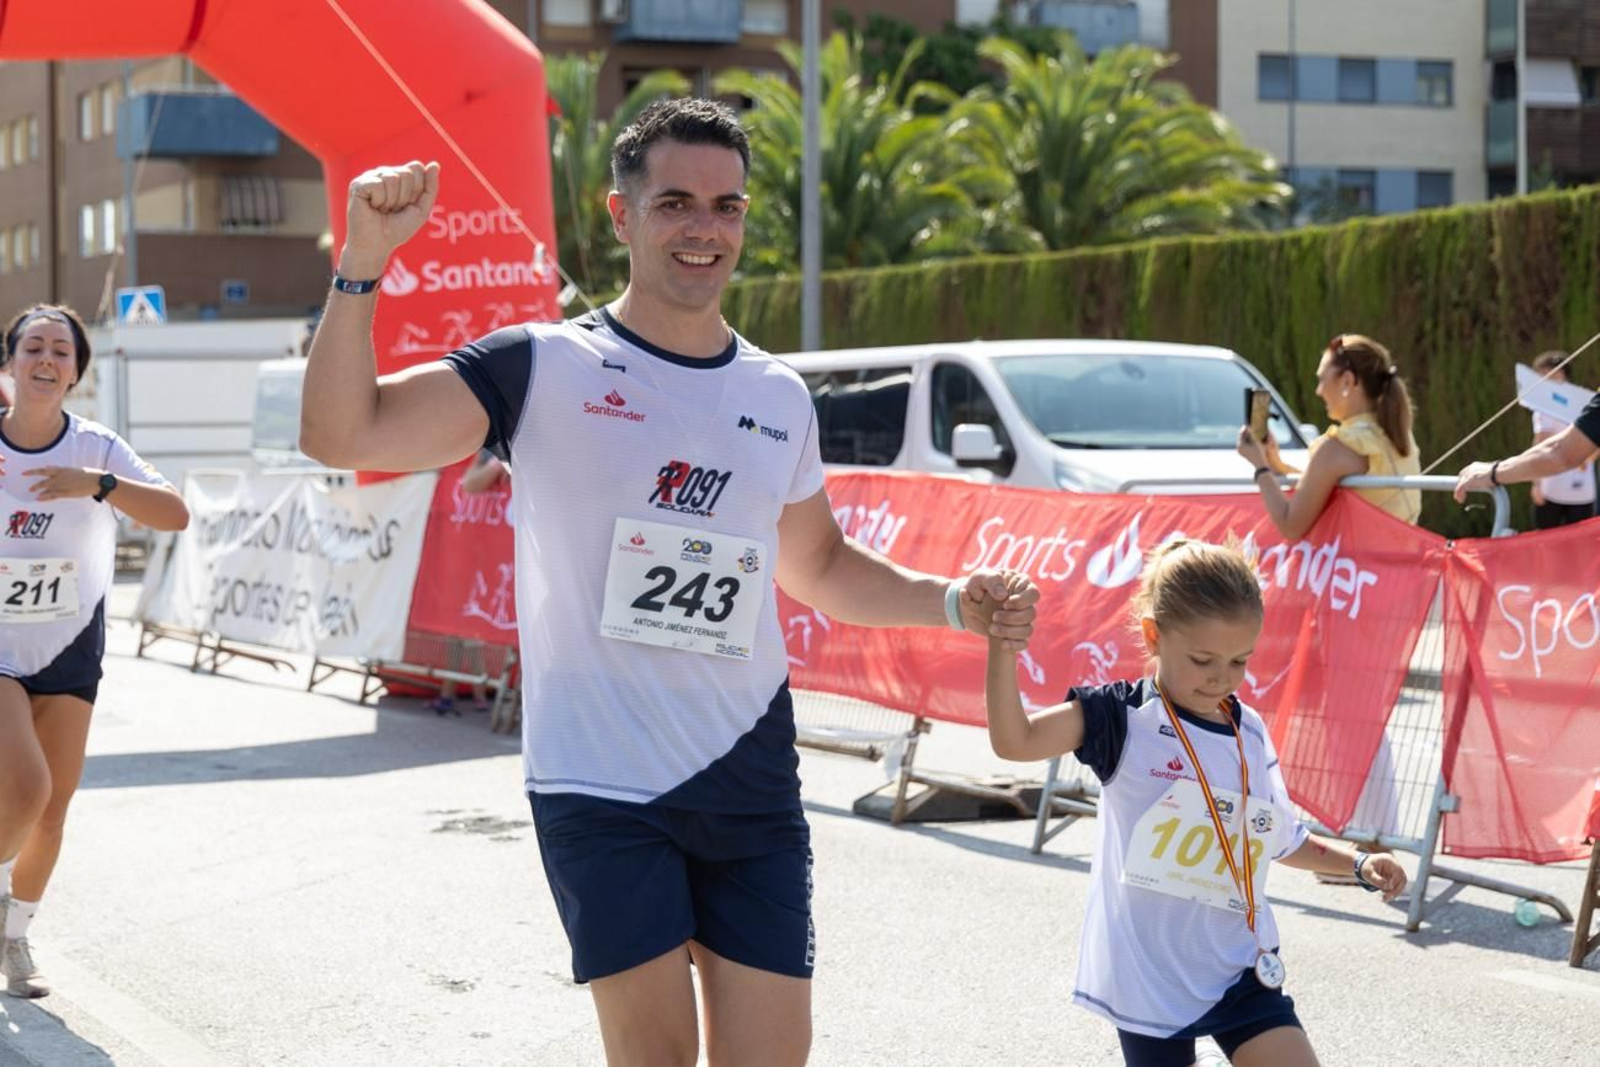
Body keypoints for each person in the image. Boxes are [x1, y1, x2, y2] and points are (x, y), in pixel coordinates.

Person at [297, 98, 1037, 1066]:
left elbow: (817, 564)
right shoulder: (541, 365)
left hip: (748, 776)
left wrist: (951, 602)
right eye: (677, 202)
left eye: (726, 206)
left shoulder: (776, 394)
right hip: (599, 781)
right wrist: (363, 263)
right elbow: (339, 435)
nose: (704, 227)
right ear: (620, 214)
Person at [979, 540, 1408, 1067]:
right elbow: (1015, 741)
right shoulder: (1119, 718)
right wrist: (1003, 647)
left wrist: (1360, 864)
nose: (1222, 678)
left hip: (1237, 967)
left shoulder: (1248, 731)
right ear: (1153, 635)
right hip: (1150, 977)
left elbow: (1280, 838)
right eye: (1203, 660)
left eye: (1239, 661)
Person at [0, 304, 190, 999]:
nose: (46, 359)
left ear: (76, 370)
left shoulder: (97, 446)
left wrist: (99, 485)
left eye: (60, 350)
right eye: (33, 347)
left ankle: (16, 935)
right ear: (11, 363)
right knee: (26, 787)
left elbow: (175, 512)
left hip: (70, 639)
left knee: (54, 807)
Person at [1236, 334, 1421, 539]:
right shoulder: (1398, 436)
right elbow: (1323, 488)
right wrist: (1277, 465)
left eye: (1322, 380)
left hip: (1357, 567)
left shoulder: (1340, 446)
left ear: (1347, 381)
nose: (1318, 391)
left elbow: (1290, 525)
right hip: (1403, 564)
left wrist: (1260, 466)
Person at [426, 450, 507, 716]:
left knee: (472, 630)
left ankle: (474, 693)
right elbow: (471, 485)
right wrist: (497, 465)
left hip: (503, 555)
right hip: (477, 552)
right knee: (462, 628)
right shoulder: (491, 450)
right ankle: (470, 693)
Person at [1455, 389, 1600, 507]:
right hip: (1554, 489)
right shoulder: (1543, 409)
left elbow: (1562, 453)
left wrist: (1493, 472)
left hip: (1579, 491)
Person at [1523, 351, 1595, 529]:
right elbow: (1540, 444)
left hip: (1581, 492)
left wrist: (1588, 458)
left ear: (1564, 374)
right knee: (1548, 545)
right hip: (1551, 490)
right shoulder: (1543, 408)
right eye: (1541, 376)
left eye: (1551, 374)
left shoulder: (1586, 403)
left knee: (1578, 547)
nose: (1545, 380)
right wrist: (1536, 483)